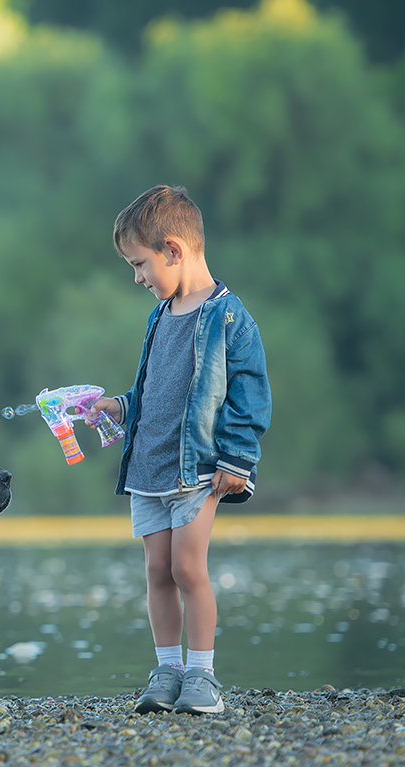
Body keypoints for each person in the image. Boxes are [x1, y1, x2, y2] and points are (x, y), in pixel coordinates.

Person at [90, 185, 271, 715]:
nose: (139, 277)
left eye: (140, 263)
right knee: (157, 571)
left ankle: (202, 676)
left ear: (174, 250)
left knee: (189, 568)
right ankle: (168, 668)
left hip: (198, 470)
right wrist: (119, 408)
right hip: (149, 468)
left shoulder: (229, 317)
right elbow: (154, 391)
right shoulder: (160, 316)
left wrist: (238, 458)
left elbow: (250, 394)